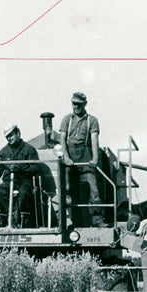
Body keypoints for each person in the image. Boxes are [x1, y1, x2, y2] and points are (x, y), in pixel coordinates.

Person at [59, 92, 105, 227]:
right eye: (74, 104)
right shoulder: (67, 120)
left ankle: (97, 220)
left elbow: (94, 140)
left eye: (79, 104)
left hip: (86, 160)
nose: (76, 107)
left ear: (85, 104)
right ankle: (68, 220)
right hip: (70, 161)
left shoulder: (92, 121)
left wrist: (95, 158)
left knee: (94, 189)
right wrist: (66, 157)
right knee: (67, 189)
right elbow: (62, 138)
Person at [0, 124, 39, 227]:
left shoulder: (29, 149)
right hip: (8, 183)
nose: (9, 138)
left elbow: (36, 167)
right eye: (7, 137)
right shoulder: (4, 152)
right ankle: (6, 218)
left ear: (18, 133)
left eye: (11, 135)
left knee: (22, 195)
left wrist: (21, 168)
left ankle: (16, 220)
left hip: (24, 182)